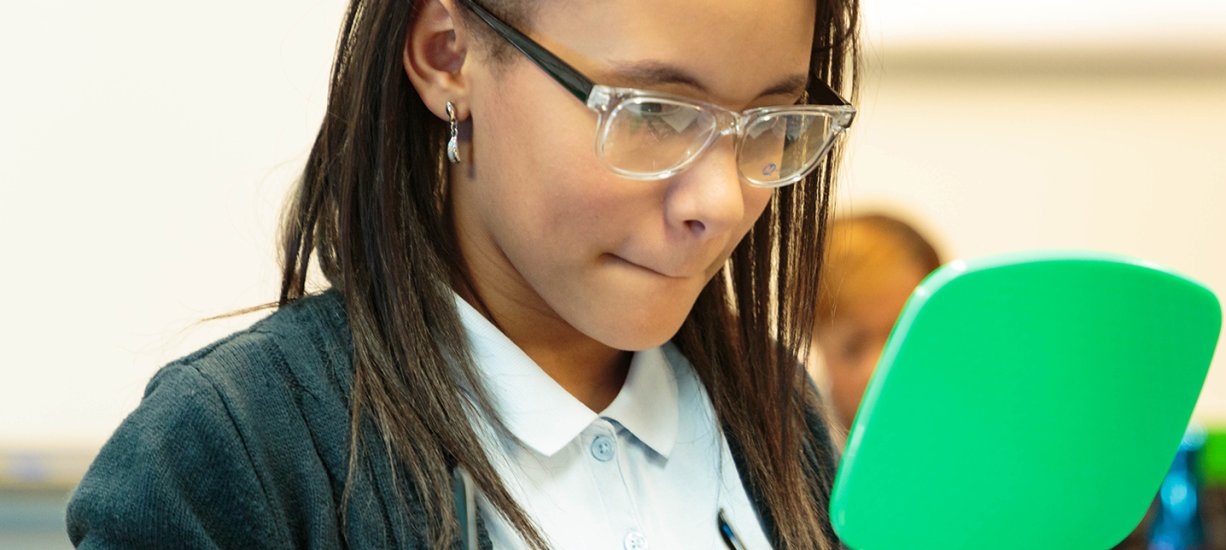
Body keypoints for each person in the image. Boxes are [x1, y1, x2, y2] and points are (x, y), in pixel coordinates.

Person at [65, 0, 861, 548]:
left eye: (773, 122)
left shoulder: (774, 412)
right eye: (651, 112)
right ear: (447, 55)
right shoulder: (232, 454)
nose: (722, 202)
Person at [811, 213, 943, 433]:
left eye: (903, 338)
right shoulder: (800, 450)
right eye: (853, 348)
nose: (877, 368)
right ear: (814, 336)